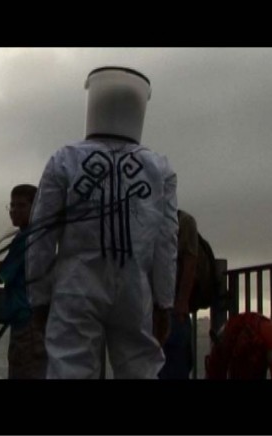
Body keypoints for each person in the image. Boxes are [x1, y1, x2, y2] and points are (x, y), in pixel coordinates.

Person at [25, 66, 178, 379]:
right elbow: (166, 242)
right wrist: (165, 302)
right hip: (135, 290)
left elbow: (40, 236)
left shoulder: (64, 159)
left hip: (76, 286)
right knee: (139, 371)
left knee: (70, 369)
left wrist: (38, 297)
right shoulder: (159, 168)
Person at [0, 184, 47, 379]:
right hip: (32, 316)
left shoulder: (26, 237)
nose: (14, 211)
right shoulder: (39, 234)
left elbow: (4, 274)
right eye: (12, 205)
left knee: (24, 370)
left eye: (21, 205)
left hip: (26, 317)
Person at [159, 209, 197, 379]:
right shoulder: (183, 220)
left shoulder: (184, 222)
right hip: (165, 308)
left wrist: (182, 303)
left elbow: (190, 263)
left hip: (172, 310)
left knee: (172, 366)